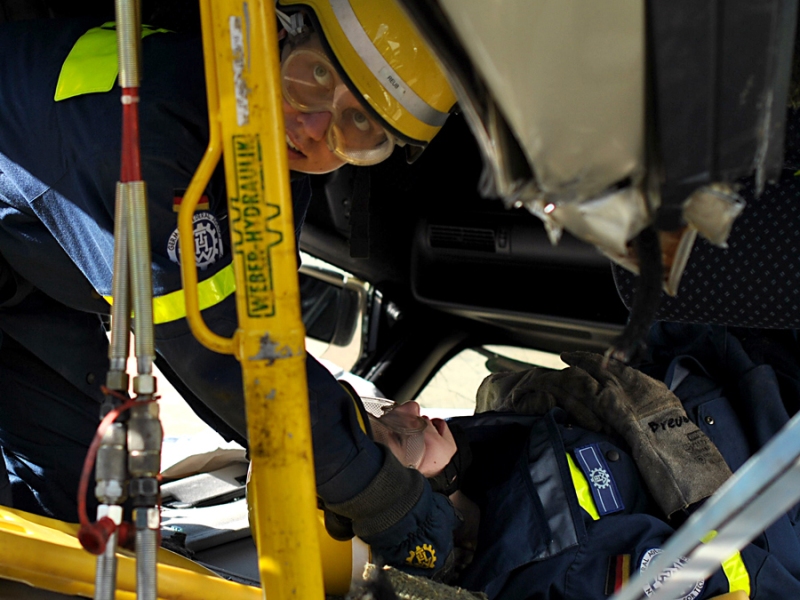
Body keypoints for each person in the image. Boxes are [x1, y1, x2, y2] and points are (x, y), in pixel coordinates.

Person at [0, 0, 462, 577]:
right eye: (315, 78)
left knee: (80, 530)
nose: (316, 128)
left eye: (359, 126)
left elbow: (263, 352)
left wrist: (363, 433)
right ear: (274, 34)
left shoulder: (260, 162)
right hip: (28, 268)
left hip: (29, 291)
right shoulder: (152, 125)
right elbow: (220, 353)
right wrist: (384, 498)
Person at [369, 324, 800, 598]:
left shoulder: (491, 447)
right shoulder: (556, 570)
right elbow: (744, 575)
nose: (408, 409)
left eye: (384, 410)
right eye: (394, 434)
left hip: (746, 360)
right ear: (410, 502)